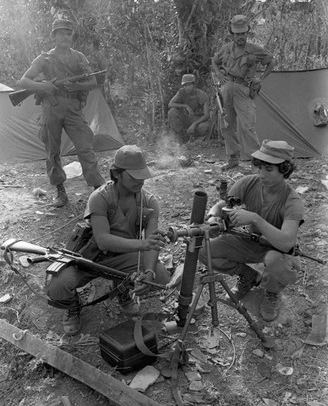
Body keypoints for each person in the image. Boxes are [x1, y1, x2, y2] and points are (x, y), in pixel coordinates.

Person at [45, 145, 170, 335]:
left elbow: (152, 244)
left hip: (124, 258)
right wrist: (142, 244)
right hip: (91, 257)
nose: (140, 181)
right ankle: (73, 305)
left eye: (142, 176)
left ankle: (122, 290)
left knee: (160, 276)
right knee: (57, 287)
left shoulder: (149, 202)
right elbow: (103, 240)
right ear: (117, 174)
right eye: (134, 176)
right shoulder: (100, 197)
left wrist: (150, 271)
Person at [199, 140, 305, 322]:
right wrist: (213, 218)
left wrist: (255, 218)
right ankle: (247, 276)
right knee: (204, 251)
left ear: (284, 170)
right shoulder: (249, 183)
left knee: (278, 264)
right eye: (260, 168)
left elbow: (287, 242)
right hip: (249, 240)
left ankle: (272, 293)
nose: (262, 174)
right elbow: (222, 205)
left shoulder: (292, 201)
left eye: (269, 169)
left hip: (277, 248)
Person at [19, 18, 105, 207]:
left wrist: (77, 87)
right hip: (52, 107)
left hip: (74, 107)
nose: (65, 37)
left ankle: (98, 190)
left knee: (85, 147)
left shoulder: (79, 57)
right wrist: (45, 87)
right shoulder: (45, 59)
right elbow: (23, 81)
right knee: (52, 151)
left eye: (68, 33)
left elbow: (93, 82)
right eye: (61, 33)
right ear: (54, 36)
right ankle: (60, 191)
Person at [212, 15, 275, 171]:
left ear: (248, 32)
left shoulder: (255, 49)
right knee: (227, 126)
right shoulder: (226, 48)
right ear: (232, 34)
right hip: (226, 88)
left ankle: (257, 163)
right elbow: (215, 61)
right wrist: (219, 75)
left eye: (243, 33)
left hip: (243, 90)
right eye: (237, 34)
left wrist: (261, 79)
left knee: (248, 127)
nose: (240, 37)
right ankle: (233, 159)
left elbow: (271, 62)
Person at [167, 74, 210, 142]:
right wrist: (185, 106)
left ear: (194, 85)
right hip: (184, 118)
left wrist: (194, 124)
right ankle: (180, 136)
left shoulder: (201, 95)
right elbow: (170, 104)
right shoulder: (181, 92)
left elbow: (206, 115)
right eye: (185, 85)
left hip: (196, 119)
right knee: (172, 111)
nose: (187, 87)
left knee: (204, 127)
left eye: (189, 85)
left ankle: (192, 135)